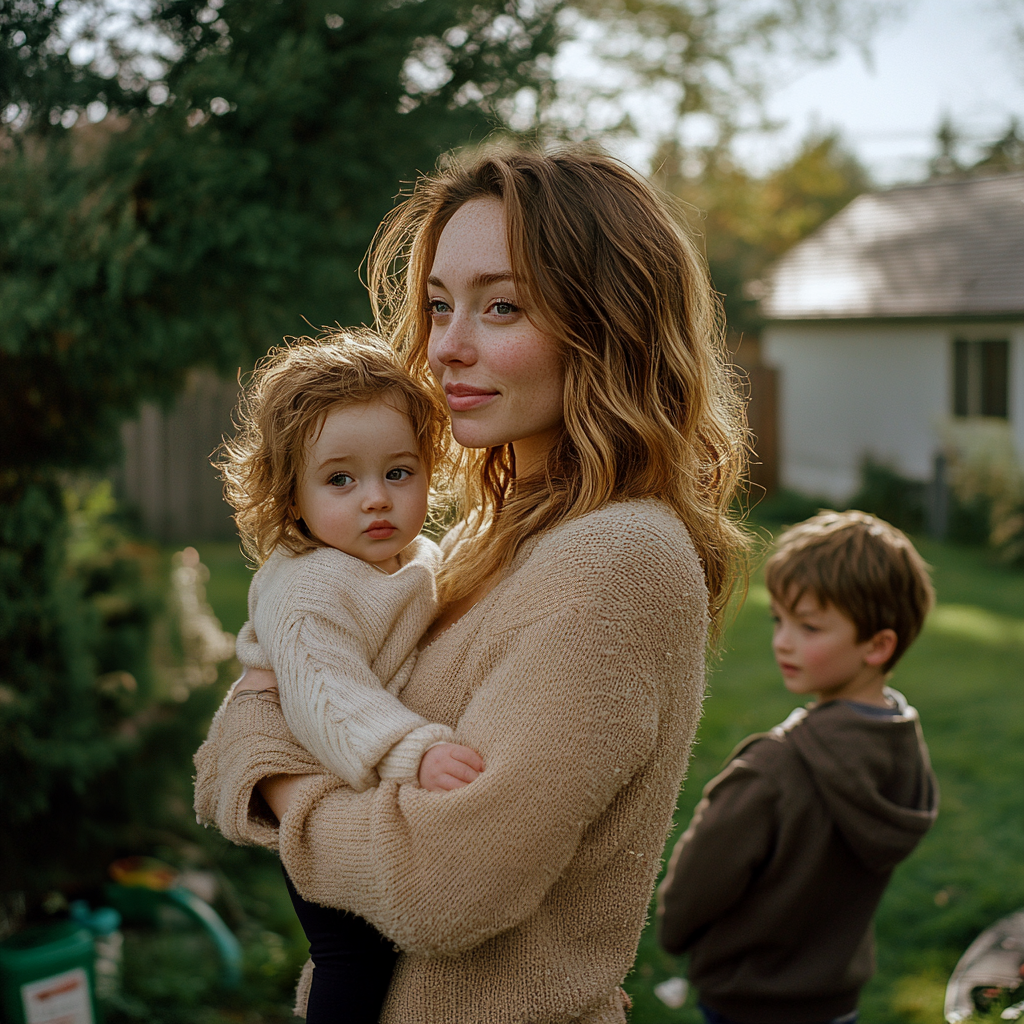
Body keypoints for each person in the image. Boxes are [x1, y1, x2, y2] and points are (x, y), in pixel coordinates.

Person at [194, 145, 749, 1024]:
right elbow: (276, 699)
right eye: (440, 305)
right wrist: (267, 727)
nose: (447, 347)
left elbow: (441, 885)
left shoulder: (618, 560)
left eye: (501, 306)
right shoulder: (479, 539)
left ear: (610, 323)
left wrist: (279, 785)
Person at [216, 331, 486, 1023]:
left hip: (355, 782)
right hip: (313, 782)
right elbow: (325, 699)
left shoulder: (408, 556)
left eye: (399, 473)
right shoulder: (311, 593)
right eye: (341, 479)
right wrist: (415, 750)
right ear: (290, 495)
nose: (376, 499)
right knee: (353, 961)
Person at [657, 510, 940, 1024]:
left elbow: (694, 889)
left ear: (878, 645)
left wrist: (674, 934)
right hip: (835, 1005)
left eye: (808, 626)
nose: (783, 641)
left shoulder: (774, 768)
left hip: (747, 1003)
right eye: (778, 619)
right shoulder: (905, 745)